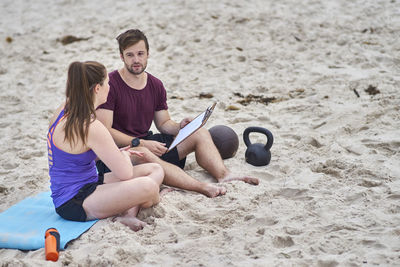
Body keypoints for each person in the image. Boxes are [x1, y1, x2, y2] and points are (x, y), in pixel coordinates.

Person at [96, 29, 259, 198]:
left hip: (149, 144)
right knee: (144, 154)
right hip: (121, 154)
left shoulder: (155, 85)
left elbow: (164, 123)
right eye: (130, 55)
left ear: (148, 54)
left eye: (140, 54)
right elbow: (105, 132)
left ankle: (224, 175)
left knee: (199, 133)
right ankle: (199, 186)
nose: (136, 60)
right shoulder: (110, 85)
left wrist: (180, 127)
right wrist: (141, 143)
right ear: (122, 57)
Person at [47, 61, 164, 231]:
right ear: (97, 88)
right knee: (149, 187)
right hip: (75, 202)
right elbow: (126, 174)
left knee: (155, 169)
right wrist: (123, 156)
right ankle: (130, 212)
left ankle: (128, 214)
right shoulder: (90, 126)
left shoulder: (64, 109)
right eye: (107, 82)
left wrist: (112, 153)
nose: (110, 86)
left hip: (87, 182)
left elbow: (72, 154)